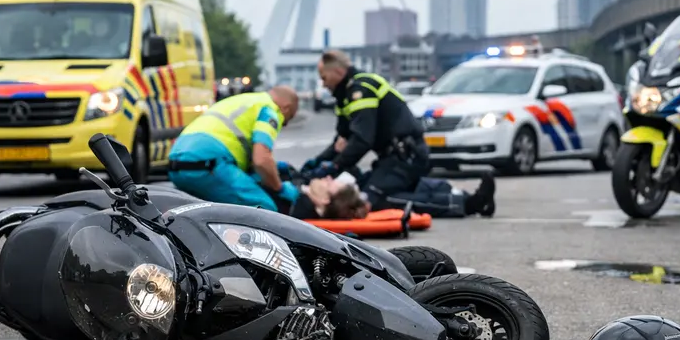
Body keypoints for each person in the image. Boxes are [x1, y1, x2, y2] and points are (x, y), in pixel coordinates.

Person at [307, 50, 430, 211]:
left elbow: (362, 140)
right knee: (357, 188)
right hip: (392, 159)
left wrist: (335, 166)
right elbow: (342, 139)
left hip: (406, 158)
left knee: (369, 200)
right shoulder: (344, 96)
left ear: (338, 71)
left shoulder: (362, 89)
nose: (323, 84)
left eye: (324, 78)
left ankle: (457, 202)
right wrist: (317, 162)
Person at [166, 86, 300, 211]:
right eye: (286, 121)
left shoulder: (244, 100)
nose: (283, 124)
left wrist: (273, 168)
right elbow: (261, 160)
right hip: (208, 166)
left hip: (176, 164)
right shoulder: (269, 110)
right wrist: (280, 188)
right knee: (265, 209)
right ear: (286, 108)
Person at [287, 170, 496, 220]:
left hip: (364, 190)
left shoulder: (304, 190)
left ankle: (473, 200)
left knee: (421, 189)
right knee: (412, 202)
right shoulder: (307, 201)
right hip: (369, 198)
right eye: (327, 183)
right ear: (324, 199)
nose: (328, 179)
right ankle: (472, 204)